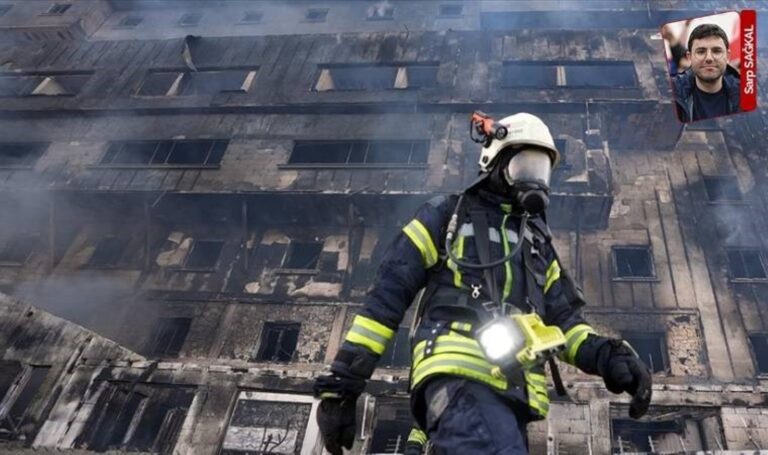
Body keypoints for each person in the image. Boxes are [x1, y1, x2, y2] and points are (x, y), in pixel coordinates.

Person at [313, 112, 652, 454]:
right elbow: (385, 300)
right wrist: (344, 382)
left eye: (541, 170)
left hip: (513, 393)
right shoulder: (447, 217)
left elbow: (565, 325)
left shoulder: (537, 245)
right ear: (495, 160)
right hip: (460, 373)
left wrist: (609, 356)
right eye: (525, 166)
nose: (533, 179)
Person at [673, 23, 740, 122]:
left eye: (717, 51)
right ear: (689, 57)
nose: (709, 58)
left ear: (728, 56)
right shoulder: (671, 92)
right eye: (701, 51)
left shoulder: (746, 94)